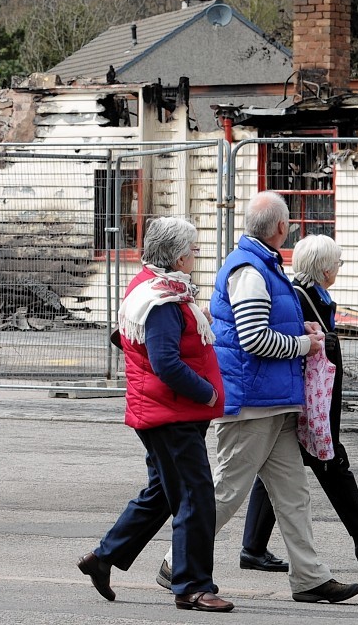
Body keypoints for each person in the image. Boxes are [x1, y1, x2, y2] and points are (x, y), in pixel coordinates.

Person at [159, 192, 358, 605]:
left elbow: (260, 327)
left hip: (271, 400)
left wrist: (296, 328)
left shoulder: (261, 264)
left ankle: (309, 578)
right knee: (226, 491)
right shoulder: (251, 269)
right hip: (252, 402)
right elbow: (255, 339)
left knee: (292, 494)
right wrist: (305, 344)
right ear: (282, 228)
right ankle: (174, 563)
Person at [77, 216, 234, 613]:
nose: (197, 254)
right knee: (196, 499)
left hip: (168, 412)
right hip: (172, 415)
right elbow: (165, 362)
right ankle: (192, 586)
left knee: (164, 494)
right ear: (178, 256)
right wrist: (208, 391)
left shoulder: (159, 288)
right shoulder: (160, 298)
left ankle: (104, 557)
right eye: (193, 249)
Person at [239, 233, 358, 573]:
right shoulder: (301, 298)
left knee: (297, 467)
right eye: (337, 263)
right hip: (306, 401)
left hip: (313, 399)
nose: (339, 268)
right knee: (315, 463)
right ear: (324, 268)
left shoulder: (314, 295)